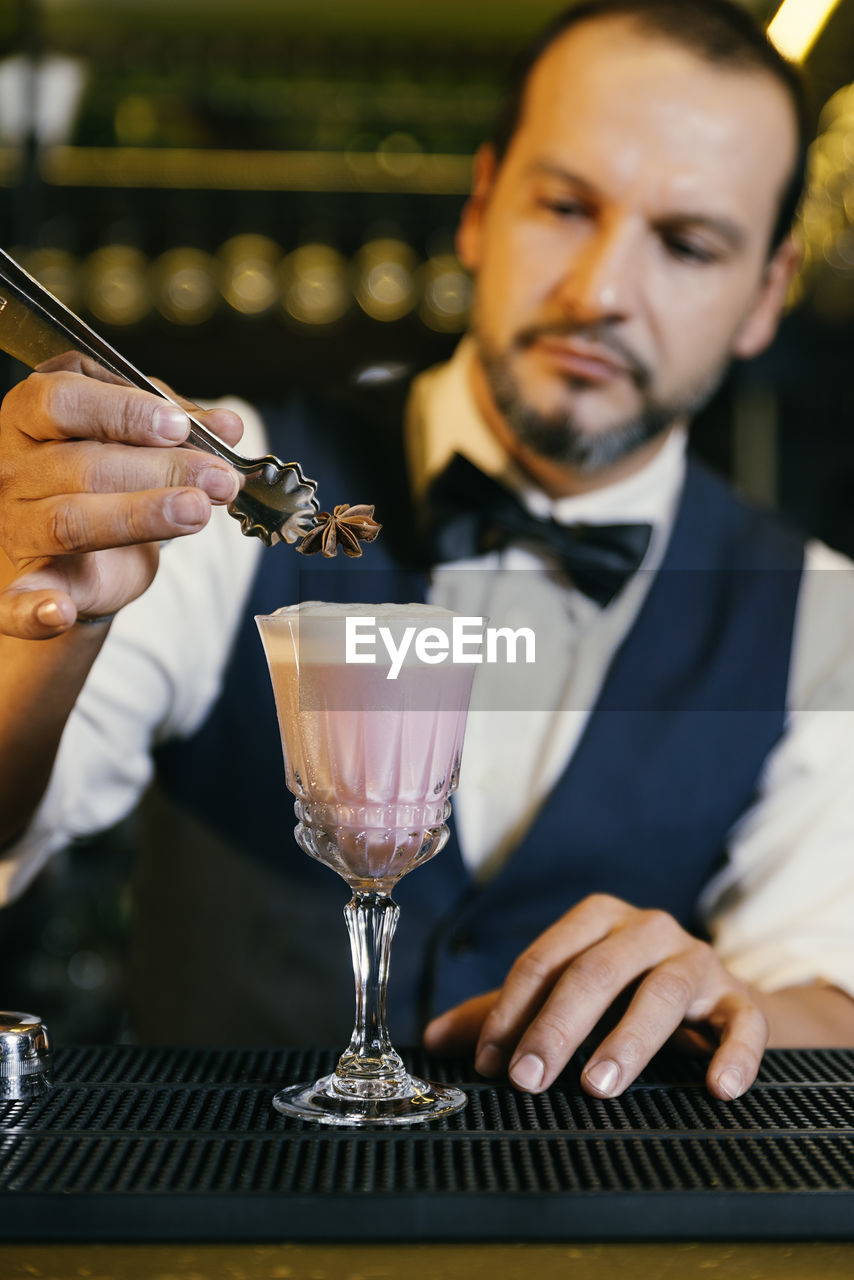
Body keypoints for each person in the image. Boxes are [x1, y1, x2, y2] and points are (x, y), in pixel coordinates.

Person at [2, 0, 854, 1104]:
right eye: (561, 205)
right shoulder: (233, 485)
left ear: (765, 295)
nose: (598, 292)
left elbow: (827, 992)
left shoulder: (817, 611)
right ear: (480, 207)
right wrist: (34, 618)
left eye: (686, 244)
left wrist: (733, 1002)